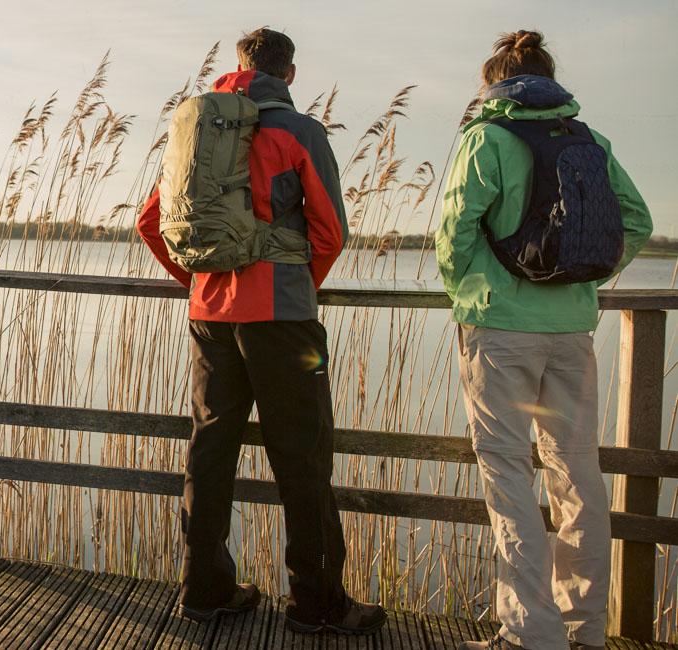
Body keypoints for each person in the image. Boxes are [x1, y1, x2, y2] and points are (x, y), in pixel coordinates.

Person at [137, 27, 386, 635]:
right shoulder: (299, 131)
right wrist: (298, 286)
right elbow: (329, 231)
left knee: (211, 449)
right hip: (282, 320)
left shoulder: (196, 127)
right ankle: (317, 604)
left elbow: (151, 222)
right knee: (302, 459)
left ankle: (204, 590)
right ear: (290, 74)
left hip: (208, 317)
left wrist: (198, 282)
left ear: (236, 67)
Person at [436, 30, 652, 650]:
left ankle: (531, 635)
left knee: (508, 476)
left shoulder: (487, 137)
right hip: (571, 331)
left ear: (494, 82)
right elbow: (636, 219)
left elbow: (455, 231)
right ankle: (586, 631)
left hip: (499, 331)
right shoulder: (588, 140)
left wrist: (469, 297)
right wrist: (583, 279)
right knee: (578, 475)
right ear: (550, 80)